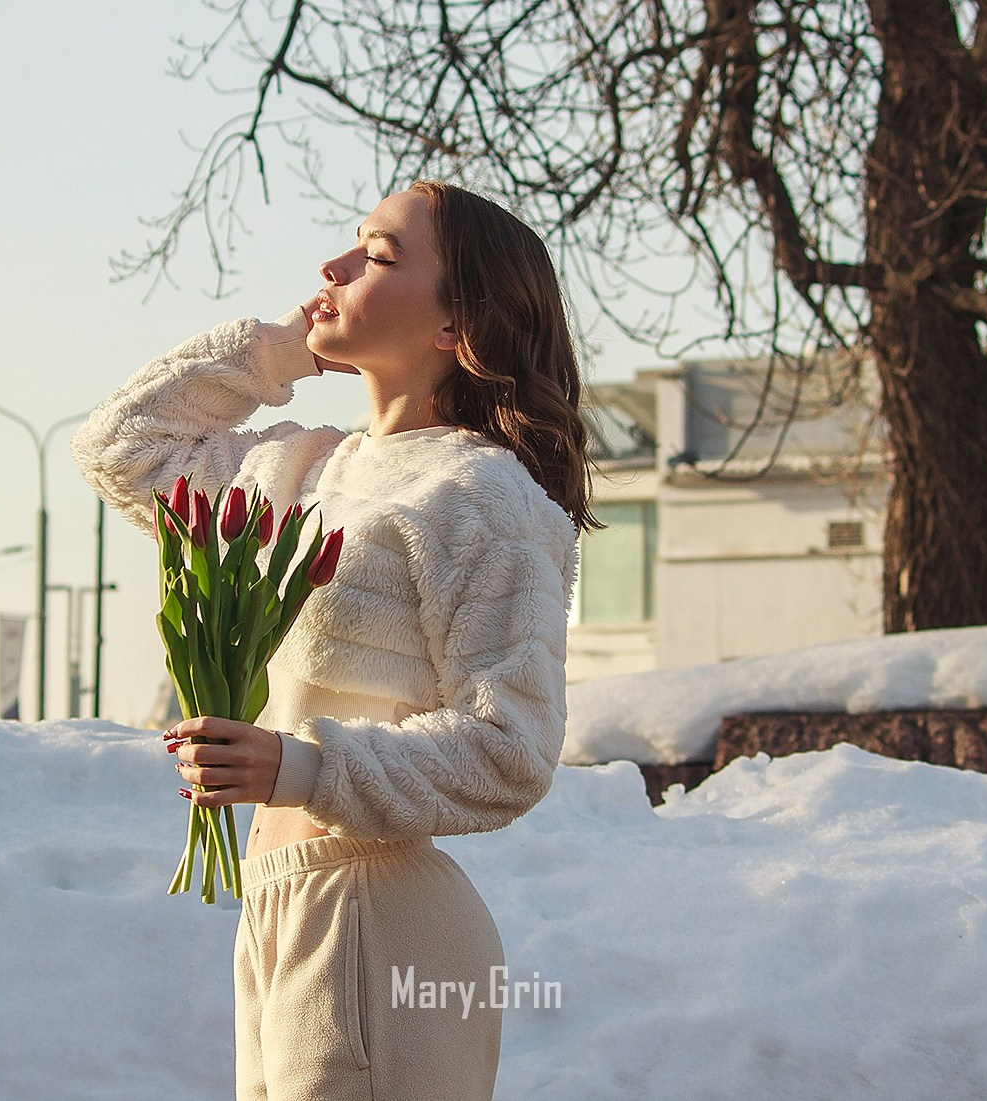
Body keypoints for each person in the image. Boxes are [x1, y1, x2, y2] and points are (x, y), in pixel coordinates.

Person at [72, 179, 596, 1100]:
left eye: (380, 256)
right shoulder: (299, 471)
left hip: (379, 920)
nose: (335, 266)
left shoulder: (484, 499)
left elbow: (511, 747)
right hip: (277, 904)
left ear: (455, 326)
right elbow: (121, 446)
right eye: (350, 244)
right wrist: (281, 348)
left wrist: (299, 765)